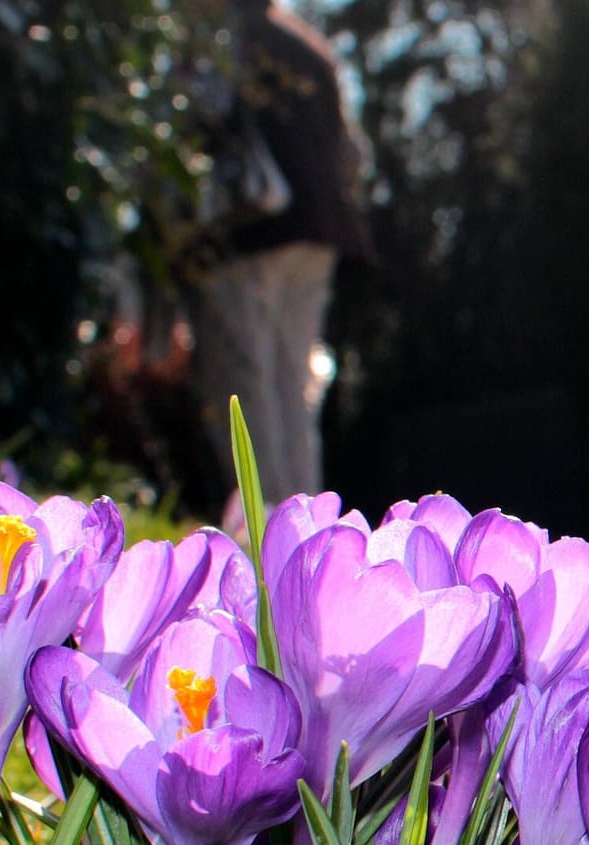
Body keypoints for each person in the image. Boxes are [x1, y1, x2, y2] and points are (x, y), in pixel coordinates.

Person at [192, 0, 372, 504]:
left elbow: (207, 118)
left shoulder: (229, 40)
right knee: (295, 379)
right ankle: (306, 520)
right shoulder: (309, 47)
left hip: (257, 226)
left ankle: (264, 518)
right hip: (322, 230)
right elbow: (351, 152)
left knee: (246, 375)